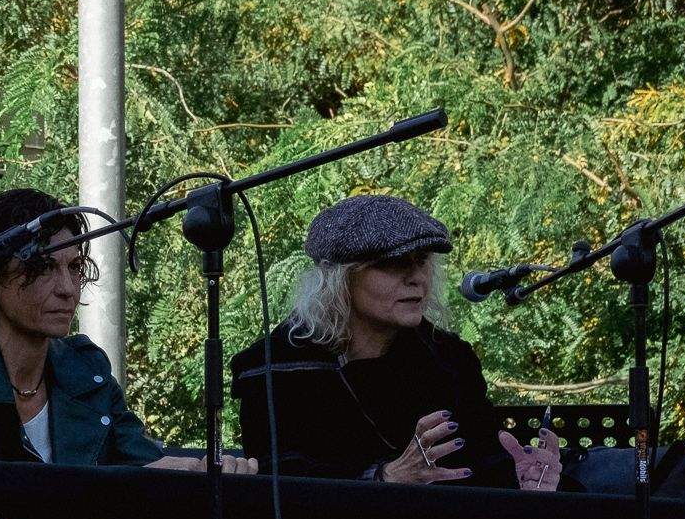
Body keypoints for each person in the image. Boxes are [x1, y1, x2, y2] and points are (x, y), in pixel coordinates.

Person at [0, 189, 255, 470]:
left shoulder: (86, 368)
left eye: (75, 267)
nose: (67, 288)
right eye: (45, 267)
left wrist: (203, 468)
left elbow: (143, 463)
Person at [231, 194, 566, 489]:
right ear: (340, 279)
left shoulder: (449, 359)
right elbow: (278, 482)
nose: (415, 278)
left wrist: (521, 481)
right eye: (392, 264)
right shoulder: (274, 365)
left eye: (421, 262)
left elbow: (482, 467)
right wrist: (383, 478)